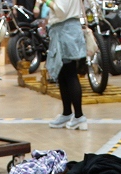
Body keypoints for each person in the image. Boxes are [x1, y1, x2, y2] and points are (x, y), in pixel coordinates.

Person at [43, 0, 87, 131]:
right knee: (63, 74)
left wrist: (47, 2)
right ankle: (67, 113)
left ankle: (79, 116)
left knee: (70, 73)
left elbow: (61, 11)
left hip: (65, 31)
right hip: (68, 30)